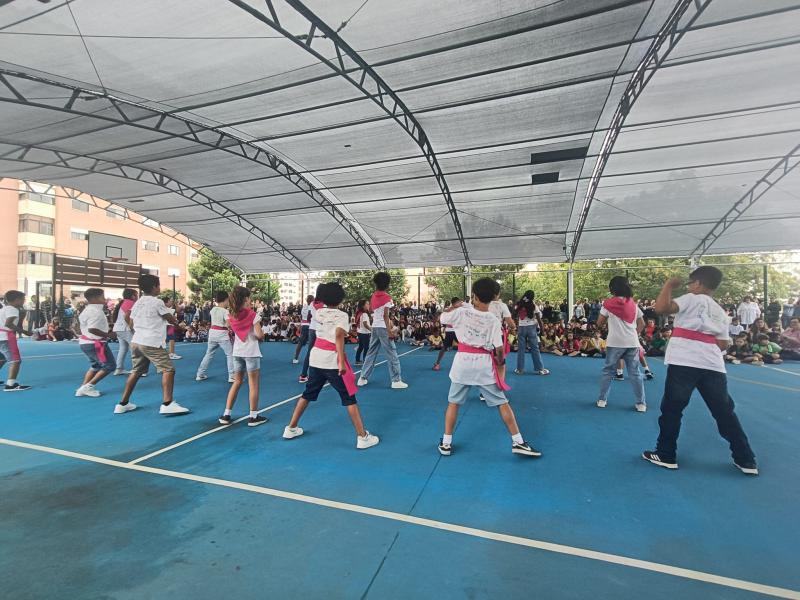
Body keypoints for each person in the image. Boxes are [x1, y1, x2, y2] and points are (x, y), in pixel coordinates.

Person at [643, 267, 757, 475]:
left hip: (685, 361)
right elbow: (722, 344)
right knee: (724, 412)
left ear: (697, 284)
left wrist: (668, 285)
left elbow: (661, 308)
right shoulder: (720, 312)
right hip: (712, 364)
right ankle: (746, 459)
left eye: (689, 283)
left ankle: (666, 453)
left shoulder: (691, 298)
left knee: (672, 409)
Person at [437, 278, 540, 458]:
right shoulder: (493, 319)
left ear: (474, 296)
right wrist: (500, 364)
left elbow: (443, 318)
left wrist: (456, 306)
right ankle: (518, 441)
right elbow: (499, 350)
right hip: (484, 365)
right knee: (502, 402)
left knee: (453, 402)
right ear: (495, 297)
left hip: (462, 362)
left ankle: (446, 443)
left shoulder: (461, 312)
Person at [283, 282, 379, 449]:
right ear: (340, 298)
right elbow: (339, 336)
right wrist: (341, 361)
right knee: (349, 398)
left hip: (316, 358)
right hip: (332, 360)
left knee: (307, 394)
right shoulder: (341, 315)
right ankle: (363, 437)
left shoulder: (318, 312)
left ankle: (290, 428)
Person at [115, 274, 190, 416]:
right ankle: (167, 404)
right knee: (168, 369)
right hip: (152, 342)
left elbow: (129, 320)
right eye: (159, 285)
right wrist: (179, 324)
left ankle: (122, 404)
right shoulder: (157, 302)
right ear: (155, 286)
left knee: (136, 371)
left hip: (137, 341)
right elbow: (170, 318)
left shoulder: (138, 302)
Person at [218, 287, 267, 427]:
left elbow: (230, 327)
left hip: (237, 352)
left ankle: (226, 414)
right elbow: (259, 335)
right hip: (251, 352)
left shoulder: (231, 315)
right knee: (253, 384)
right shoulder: (253, 315)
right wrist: (262, 336)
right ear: (245, 299)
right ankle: (253, 416)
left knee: (237, 382)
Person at [595, 276, 646, 411]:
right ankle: (641, 403)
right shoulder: (634, 305)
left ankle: (602, 400)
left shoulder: (608, 304)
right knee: (635, 373)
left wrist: (606, 322)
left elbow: (599, 323)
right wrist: (635, 334)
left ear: (612, 288)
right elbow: (642, 324)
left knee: (608, 372)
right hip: (632, 342)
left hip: (614, 342)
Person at [357, 272, 408, 389]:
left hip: (375, 327)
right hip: (383, 327)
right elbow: (386, 316)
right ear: (387, 284)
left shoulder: (373, 296)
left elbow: (373, 311)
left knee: (371, 353)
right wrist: (390, 330)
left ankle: (362, 378)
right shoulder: (387, 298)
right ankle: (396, 380)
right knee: (392, 354)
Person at [75, 288, 117, 397]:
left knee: (96, 366)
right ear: (95, 298)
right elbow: (92, 329)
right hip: (94, 343)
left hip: (86, 342)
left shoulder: (87, 310)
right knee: (110, 366)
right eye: (102, 296)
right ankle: (88, 386)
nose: (105, 298)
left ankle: (83, 387)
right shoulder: (96, 312)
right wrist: (108, 335)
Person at [196, 290, 234, 383]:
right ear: (226, 300)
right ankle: (232, 376)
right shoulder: (225, 311)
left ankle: (200, 374)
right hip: (222, 334)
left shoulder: (213, 309)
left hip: (212, 333)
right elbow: (229, 324)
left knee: (209, 354)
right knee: (230, 354)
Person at [0, 290, 31, 392]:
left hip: (1, 337)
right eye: (23, 299)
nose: (24, 301)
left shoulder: (3, 309)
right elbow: (8, 324)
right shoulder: (13, 309)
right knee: (15, 360)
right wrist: (24, 331)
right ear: (17, 300)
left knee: (2, 359)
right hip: (6, 337)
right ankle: (10, 385)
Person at [514, 290, 550, 376]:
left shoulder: (519, 305)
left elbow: (515, 316)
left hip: (521, 328)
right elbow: (539, 320)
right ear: (532, 297)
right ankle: (540, 369)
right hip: (531, 328)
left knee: (521, 349)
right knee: (535, 348)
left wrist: (517, 326)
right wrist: (542, 331)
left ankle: (520, 369)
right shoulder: (534, 305)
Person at [299, 290, 325, 383]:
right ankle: (323, 375)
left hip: (312, 329)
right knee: (324, 351)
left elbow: (310, 316)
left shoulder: (311, 304)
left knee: (310, 352)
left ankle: (303, 375)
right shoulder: (324, 304)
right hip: (321, 330)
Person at [112, 288, 138, 376]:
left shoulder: (123, 302)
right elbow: (127, 316)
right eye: (136, 294)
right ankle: (137, 369)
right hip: (125, 328)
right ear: (132, 296)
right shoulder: (130, 302)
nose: (137, 296)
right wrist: (131, 326)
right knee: (134, 348)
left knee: (123, 348)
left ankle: (119, 368)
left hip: (118, 328)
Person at [433, 297, 462, 371]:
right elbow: (442, 316)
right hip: (449, 331)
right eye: (459, 302)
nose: (460, 303)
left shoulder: (460, 309)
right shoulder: (448, 310)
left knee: (464, 346)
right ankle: (437, 363)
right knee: (444, 348)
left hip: (457, 331)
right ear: (455, 303)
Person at [293, 295, 314, 364]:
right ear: (312, 300)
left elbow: (302, 317)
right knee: (312, 343)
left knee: (300, 343)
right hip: (311, 326)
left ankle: (295, 358)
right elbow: (310, 317)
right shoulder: (312, 307)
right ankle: (311, 359)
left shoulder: (304, 307)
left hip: (304, 325)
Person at [354, 299, 371, 366]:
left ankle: (357, 360)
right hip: (364, 333)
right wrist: (371, 330)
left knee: (361, 347)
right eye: (367, 304)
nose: (368, 305)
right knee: (366, 347)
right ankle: (365, 361)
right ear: (363, 306)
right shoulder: (364, 314)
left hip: (360, 332)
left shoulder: (359, 313)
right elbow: (365, 324)